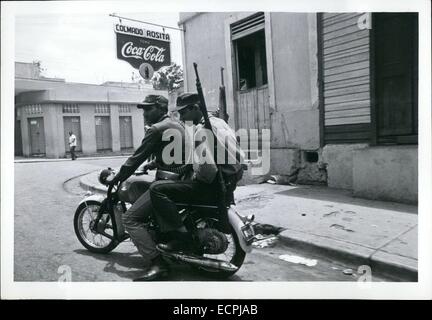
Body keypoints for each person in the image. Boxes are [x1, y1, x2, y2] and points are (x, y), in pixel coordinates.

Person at [106, 94, 188, 281]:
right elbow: (174, 153)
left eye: (148, 109)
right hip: (182, 180)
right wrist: (153, 164)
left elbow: (136, 158)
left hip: (167, 183)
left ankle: (157, 263)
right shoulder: (178, 124)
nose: (144, 113)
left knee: (130, 219)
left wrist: (117, 177)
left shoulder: (156, 129)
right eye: (143, 109)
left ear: (161, 108)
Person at [149, 92, 245, 254]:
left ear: (195, 108)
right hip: (229, 180)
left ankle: (180, 239)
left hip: (212, 186)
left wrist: (194, 175)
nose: (181, 116)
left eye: (183, 112)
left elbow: (208, 170)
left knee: (157, 189)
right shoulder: (219, 122)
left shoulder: (201, 129)